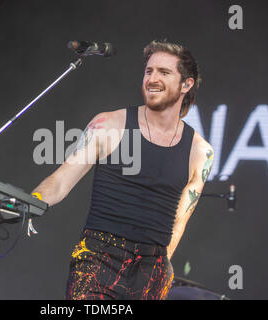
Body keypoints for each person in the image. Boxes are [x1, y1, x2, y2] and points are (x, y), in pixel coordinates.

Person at [31, 40, 214, 300]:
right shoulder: (108, 124)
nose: (152, 78)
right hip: (97, 261)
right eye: (149, 71)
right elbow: (61, 180)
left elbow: (178, 222)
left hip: (152, 271)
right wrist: (30, 202)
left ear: (187, 84)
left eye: (164, 72)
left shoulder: (200, 152)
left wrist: (160, 272)